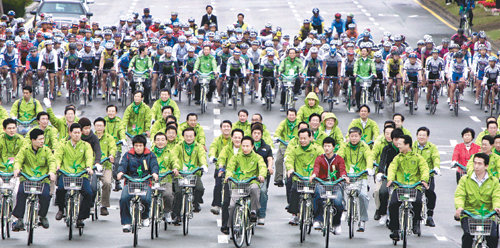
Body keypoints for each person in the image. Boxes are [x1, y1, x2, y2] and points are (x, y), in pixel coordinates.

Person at [11, 128, 56, 231]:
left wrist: (51, 172)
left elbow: (52, 162)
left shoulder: (46, 150)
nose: (42, 141)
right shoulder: (25, 150)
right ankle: (19, 219)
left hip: (42, 179)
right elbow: (18, 160)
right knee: (21, 193)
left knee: (46, 195)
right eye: (40, 139)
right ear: (33, 140)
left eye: (43, 139)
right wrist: (17, 169)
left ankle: (42, 216)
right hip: (27, 178)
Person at [387, 135, 430, 240]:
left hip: (414, 187)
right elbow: (392, 168)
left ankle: (416, 222)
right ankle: (395, 229)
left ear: (407, 145)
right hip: (400, 186)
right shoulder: (398, 157)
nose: (398, 145)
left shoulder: (418, 158)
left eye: (400, 144)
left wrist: (424, 180)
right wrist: (390, 179)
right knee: (392, 204)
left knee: (418, 202)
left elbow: (424, 169)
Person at [454, 152, 500, 248]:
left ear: (486, 166)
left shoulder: (494, 181)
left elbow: (497, 196)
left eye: (479, 164)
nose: (476, 166)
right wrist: (459, 207)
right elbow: (460, 195)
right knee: (467, 236)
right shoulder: (465, 179)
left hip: (487, 215)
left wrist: (497, 207)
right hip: (469, 214)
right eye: (475, 163)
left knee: (493, 237)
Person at [54, 123, 94, 228]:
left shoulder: (86, 145)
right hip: (66, 173)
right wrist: (57, 166)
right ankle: (61, 210)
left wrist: (89, 167)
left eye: (79, 133)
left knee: (89, 193)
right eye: (75, 132)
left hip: (81, 175)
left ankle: (81, 217)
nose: (77, 135)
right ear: (70, 133)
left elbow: (89, 157)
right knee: (60, 190)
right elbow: (58, 156)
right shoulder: (63, 145)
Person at [117, 135, 159, 232]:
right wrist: (120, 172)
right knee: (124, 198)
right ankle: (126, 222)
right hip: (130, 182)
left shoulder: (150, 155)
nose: (138, 148)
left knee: (146, 199)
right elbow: (123, 164)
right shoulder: (128, 155)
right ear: (133, 146)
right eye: (136, 145)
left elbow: (154, 165)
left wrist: (154, 173)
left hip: (145, 181)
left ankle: (145, 217)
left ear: (144, 146)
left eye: (140, 145)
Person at [338, 127, 374, 232]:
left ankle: (362, 220)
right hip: (347, 176)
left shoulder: (364, 146)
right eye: (351, 136)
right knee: (339, 190)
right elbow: (340, 158)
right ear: (348, 137)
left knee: (363, 196)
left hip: (360, 176)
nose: (353, 138)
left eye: (356, 136)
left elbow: (369, 157)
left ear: (360, 136)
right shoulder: (344, 146)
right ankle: (344, 208)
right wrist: (342, 172)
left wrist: (369, 168)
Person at [285, 128, 324, 225]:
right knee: (294, 191)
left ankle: (317, 217)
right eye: (300, 138)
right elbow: (289, 159)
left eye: (304, 138)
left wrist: (316, 174)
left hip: (313, 179)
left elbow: (322, 161)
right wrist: (290, 168)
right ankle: (294, 214)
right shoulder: (295, 149)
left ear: (310, 138)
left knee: (318, 195)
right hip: (299, 178)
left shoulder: (317, 149)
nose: (302, 140)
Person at [310, 137, 347, 234]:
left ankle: (336, 224)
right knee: (317, 195)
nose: (327, 148)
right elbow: (316, 168)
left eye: (329, 146)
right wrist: (314, 175)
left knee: (339, 203)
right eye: (325, 146)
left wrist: (344, 177)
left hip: (335, 184)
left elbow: (342, 170)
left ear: (333, 147)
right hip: (322, 183)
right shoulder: (319, 158)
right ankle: (317, 219)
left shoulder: (339, 159)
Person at [172, 127, 208, 224]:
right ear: (183, 136)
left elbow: (202, 156)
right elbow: (174, 157)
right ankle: (177, 215)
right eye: (186, 136)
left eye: (191, 136)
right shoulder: (178, 146)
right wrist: (175, 167)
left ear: (194, 136)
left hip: (193, 173)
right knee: (178, 193)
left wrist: (203, 165)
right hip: (180, 174)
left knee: (200, 189)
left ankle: (195, 202)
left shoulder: (198, 147)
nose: (188, 138)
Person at [374, 127, 404, 224]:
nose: (397, 142)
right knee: (383, 192)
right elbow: (382, 161)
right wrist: (380, 172)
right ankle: (383, 213)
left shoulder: (405, 150)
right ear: (392, 139)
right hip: (389, 177)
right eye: (395, 140)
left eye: (400, 140)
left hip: (403, 177)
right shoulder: (387, 148)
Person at [217, 128, 244, 234]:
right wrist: (221, 168)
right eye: (235, 137)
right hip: (230, 179)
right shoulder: (227, 148)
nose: (237, 139)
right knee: (226, 202)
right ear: (232, 138)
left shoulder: (246, 148)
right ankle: (225, 225)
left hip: (244, 179)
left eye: (239, 137)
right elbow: (222, 158)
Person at [413, 127, 440, 227]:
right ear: (416, 136)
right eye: (419, 135)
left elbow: (436, 157)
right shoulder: (412, 146)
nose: (421, 137)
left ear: (427, 137)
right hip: (414, 176)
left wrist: (436, 167)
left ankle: (429, 216)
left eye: (424, 135)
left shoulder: (432, 147)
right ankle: (415, 219)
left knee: (431, 193)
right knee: (415, 197)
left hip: (428, 176)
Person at [152, 132, 180, 223]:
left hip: (166, 179)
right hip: (152, 180)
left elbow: (175, 162)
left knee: (168, 195)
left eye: (163, 140)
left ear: (166, 141)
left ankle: (167, 212)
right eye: (158, 140)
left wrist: (175, 168)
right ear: (154, 142)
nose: (160, 142)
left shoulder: (170, 152)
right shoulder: (150, 153)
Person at [92, 117, 117, 216]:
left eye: (101, 125)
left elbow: (113, 147)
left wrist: (111, 155)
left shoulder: (109, 138)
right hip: (93, 166)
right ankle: (89, 205)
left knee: (107, 183)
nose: (99, 127)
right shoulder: (91, 137)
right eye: (97, 125)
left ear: (104, 126)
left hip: (105, 165)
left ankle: (104, 206)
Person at [250, 123, 274, 225]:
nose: (256, 135)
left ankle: (262, 214)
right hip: (249, 174)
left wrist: (270, 167)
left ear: (261, 135)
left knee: (263, 191)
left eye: (258, 133)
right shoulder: (247, 145)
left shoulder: (267, 147)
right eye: (254, 133)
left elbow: (270, 159)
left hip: (262, 175)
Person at [208, 120, 232, 215]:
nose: (226, 128)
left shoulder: (234, 140)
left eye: (228, 126)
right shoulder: (217, 140)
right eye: (224, 126)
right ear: (221, 129)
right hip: (220, 167)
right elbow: (213, 148)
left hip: (232, 168)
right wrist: (212, 156)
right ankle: (216, 205)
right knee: (218, 185)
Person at [273, 108, 299, 187]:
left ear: (296, 115)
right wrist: (276, 137)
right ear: (287, 115)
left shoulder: (299, 123)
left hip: (295, 146)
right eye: (289, 115)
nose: (291, 117)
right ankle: (279, 178)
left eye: (293, 115)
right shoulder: (283, 123)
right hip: (283, 145)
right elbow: (278, 130)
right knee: (278, 160)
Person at [104, 105, 126, 191]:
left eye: (113, 111)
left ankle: (117, 182)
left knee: (115, 165)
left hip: (117, 148)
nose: (111, 113)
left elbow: (121, 130)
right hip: (105, 147)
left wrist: (123, 138)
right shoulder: (104, 121)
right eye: (109, 111)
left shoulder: (119, 122)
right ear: (107, 112)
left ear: (116, 112)